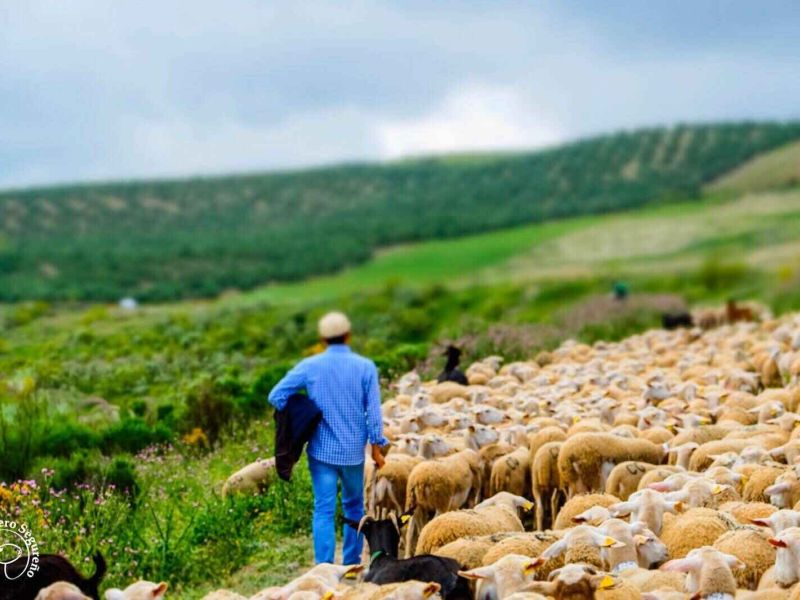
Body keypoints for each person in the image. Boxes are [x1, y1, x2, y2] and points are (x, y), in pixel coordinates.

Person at [268, 311, 388, 565]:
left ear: (323, 339)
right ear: (348, 335)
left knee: (323, 509)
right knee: (354, 506)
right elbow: (375, 413)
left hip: (321, 451)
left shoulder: (310, 366)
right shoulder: (365, 366)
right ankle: (351, 564)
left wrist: (304, 411)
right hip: (353, 452)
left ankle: (323, 567)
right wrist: (377, 449)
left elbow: (276, 396)